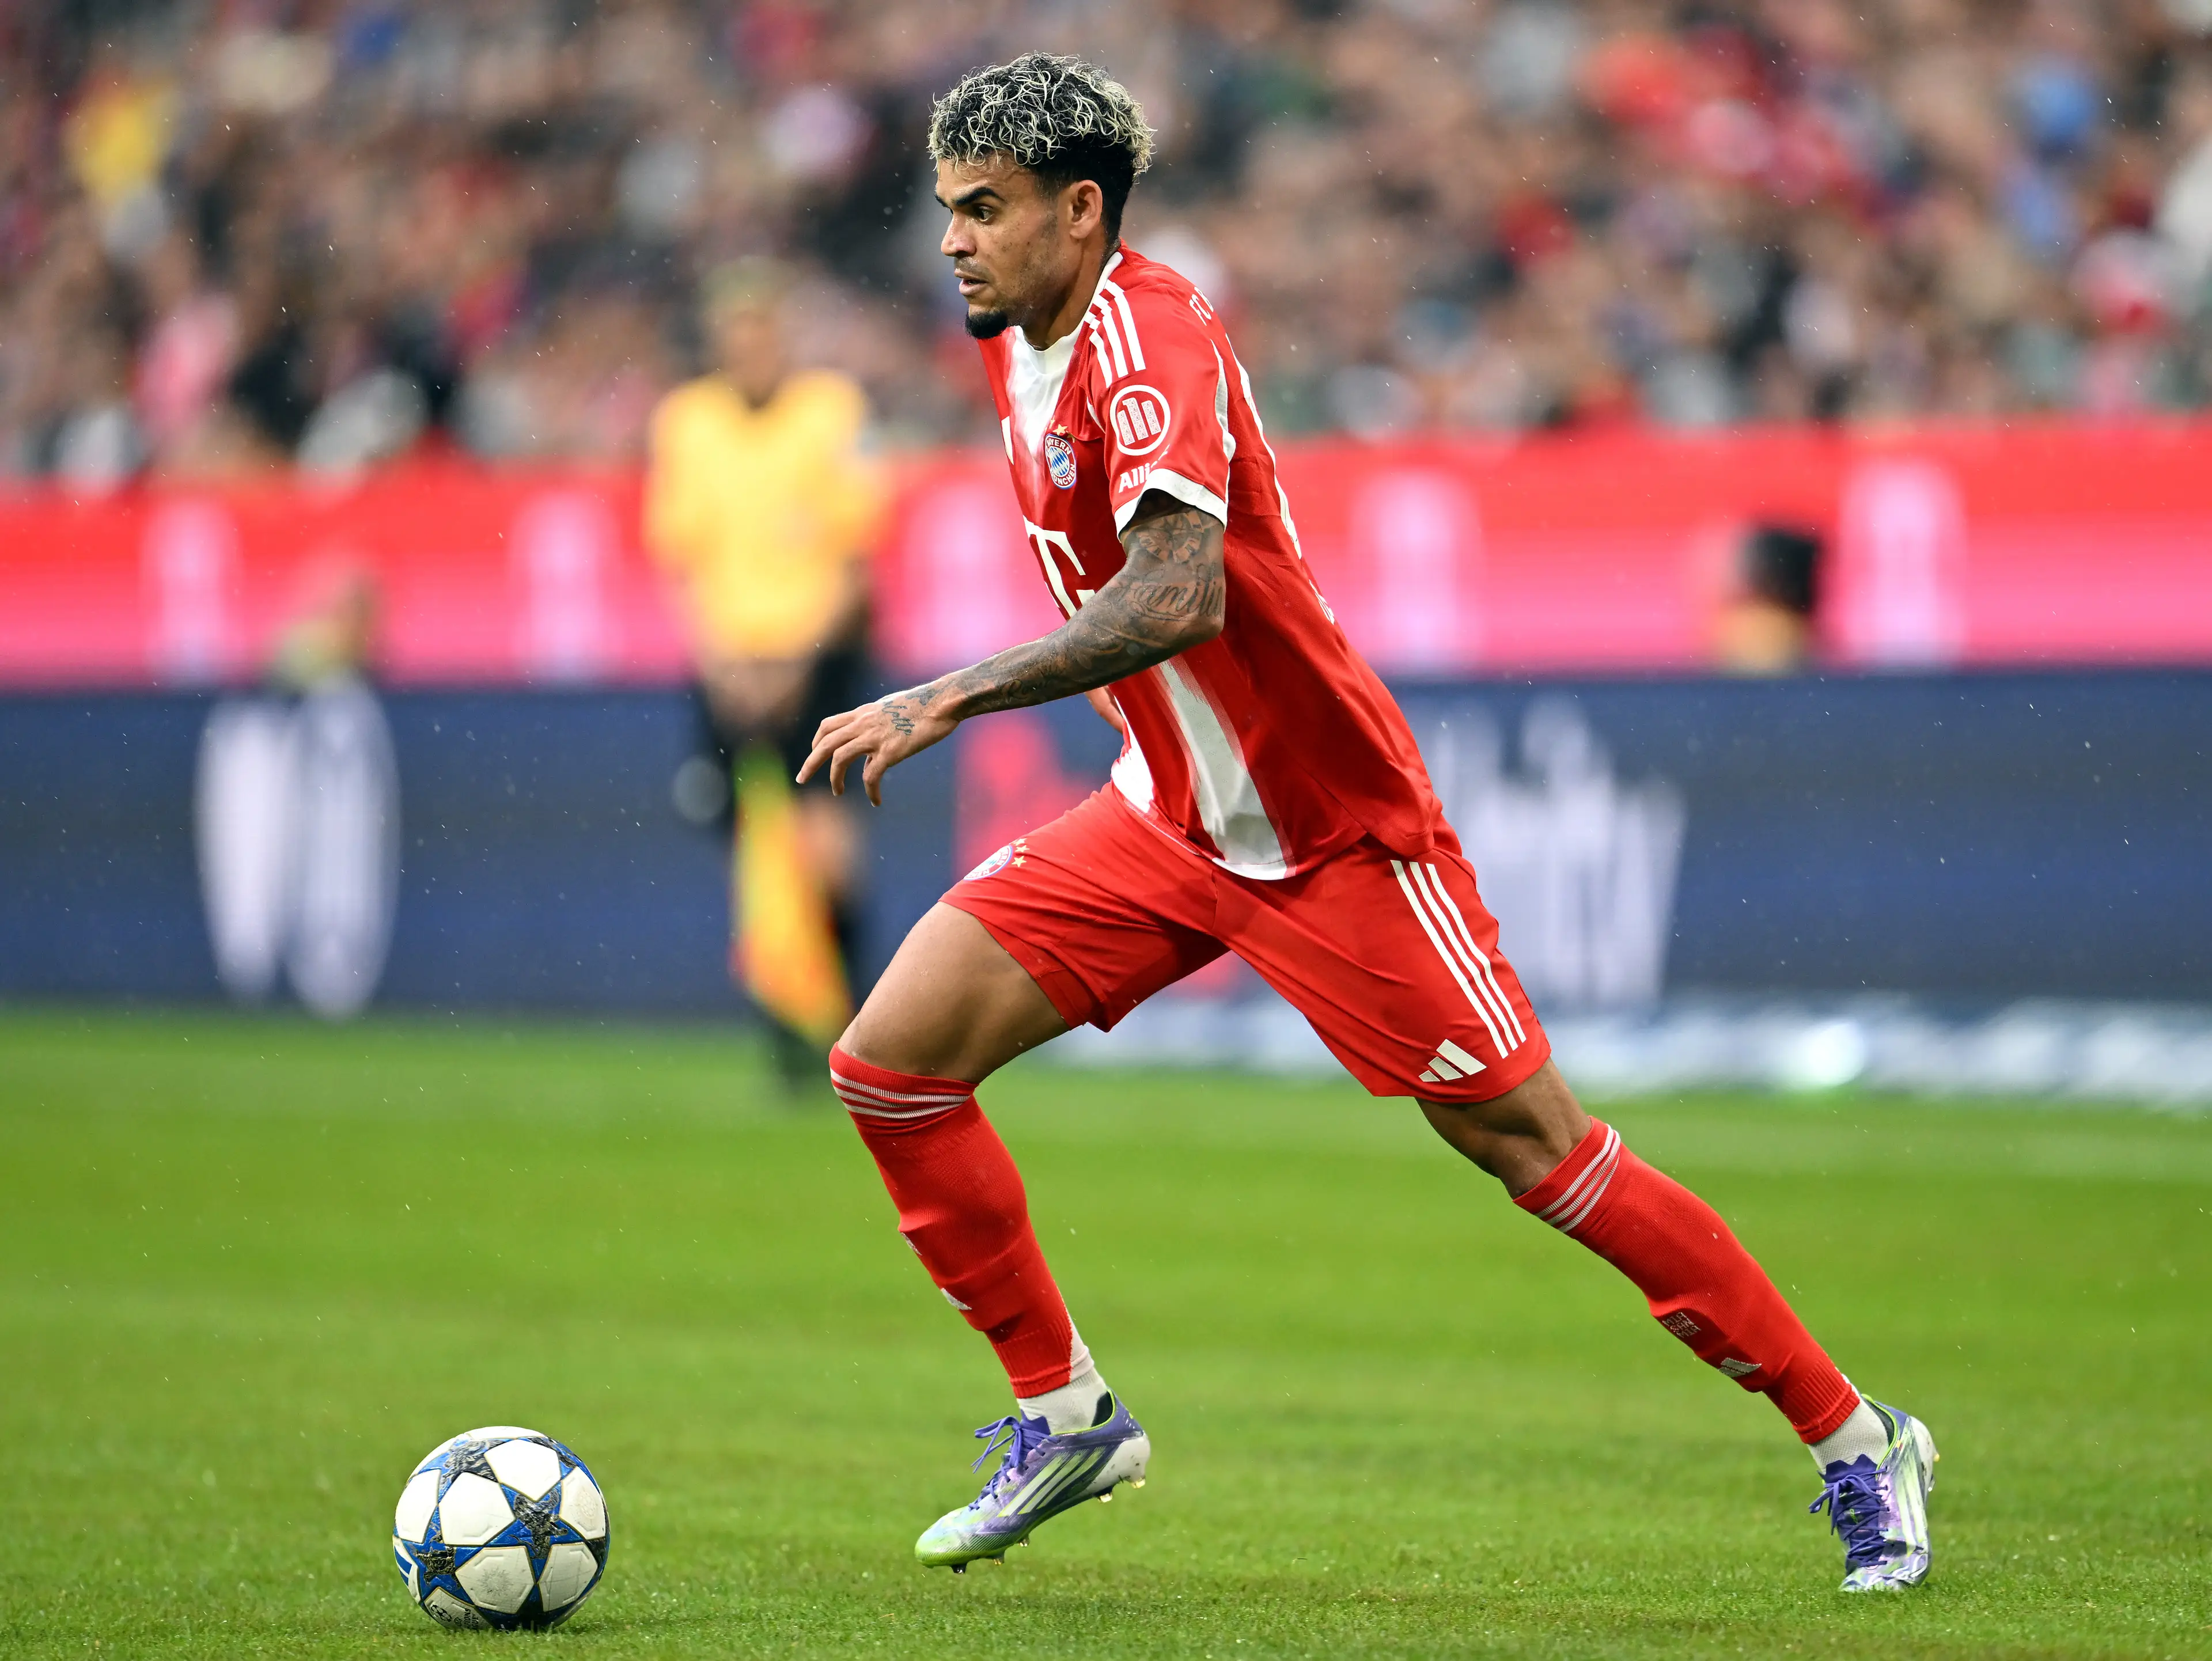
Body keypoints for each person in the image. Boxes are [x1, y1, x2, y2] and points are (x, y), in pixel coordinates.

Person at [800, 54, 1936, 1593]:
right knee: (892, 1065)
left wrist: (952, 694)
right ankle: (1063, 1410)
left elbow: (1181, 590)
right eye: (947, 211)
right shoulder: (1021, 343)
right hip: (1168, 819)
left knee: (1542, 1151)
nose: (954, 241)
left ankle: (1858, 1434)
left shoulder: (1154, 336)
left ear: (1083, 211)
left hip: (1330, 835)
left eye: (985, 211)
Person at [646, 259, 882, 1079]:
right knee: (758, 851)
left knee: (825, 847)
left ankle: (849, 1016)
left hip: (817, 661)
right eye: (734, 336)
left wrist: (798, 663)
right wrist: (721, 660)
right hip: (731, 663)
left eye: (761, 333)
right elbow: (684, 562)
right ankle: (788, 1019)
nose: (749, 350)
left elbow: (857, 562)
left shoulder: (832, 412)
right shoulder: (688, 422)